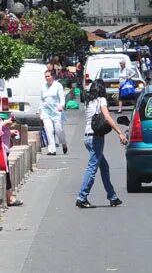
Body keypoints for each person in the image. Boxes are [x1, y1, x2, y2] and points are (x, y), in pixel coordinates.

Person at [75, 81, 124, 209]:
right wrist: (120, 132)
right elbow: (107, 117)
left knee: (104, 167)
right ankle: (82, 197)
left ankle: (112, 196)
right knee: (92, 168)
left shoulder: (88, 102)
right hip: (96, 138)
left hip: (87, 137)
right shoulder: (101, 100)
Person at [39, 68, 67, 156]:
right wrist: (40, 110)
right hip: (46, 111)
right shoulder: (43, 86)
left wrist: (61, 105)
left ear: (52, 76)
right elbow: (41, 99)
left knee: (59, 130)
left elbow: (62, 97)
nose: (47, 78)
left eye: (48, 76)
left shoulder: (58, 85)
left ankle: (64, 143)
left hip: (56, 111)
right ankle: (52, 150)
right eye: (45, 77)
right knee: (48, 129)